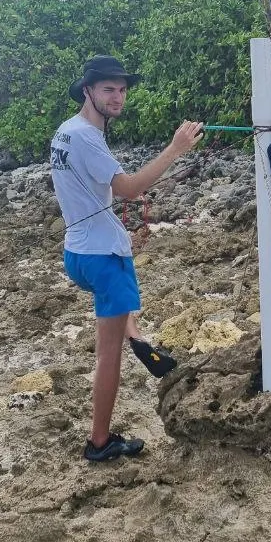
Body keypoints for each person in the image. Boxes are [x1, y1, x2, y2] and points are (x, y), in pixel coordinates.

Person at [50, 55, 203, 463]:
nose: (118, 96)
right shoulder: (86, 138)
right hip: (104, 257)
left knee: (117, 311)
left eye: (121, 89)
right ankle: (99, 442)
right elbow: (129, 189)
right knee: (107, 355)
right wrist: (176, 148)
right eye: (108, 90)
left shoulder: (66, 132)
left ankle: (135, 335)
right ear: (88, 91)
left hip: (76, 253)